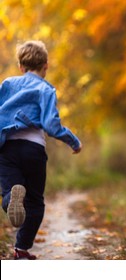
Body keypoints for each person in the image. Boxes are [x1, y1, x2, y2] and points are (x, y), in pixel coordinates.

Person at [0, 40, 82, 260]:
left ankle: (10, 198)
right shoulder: (45, 89)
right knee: (35, 201)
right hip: (34, 149)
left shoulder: (7, 84)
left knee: (9, 190)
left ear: (20, 66)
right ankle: (21, 249)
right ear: (46, 65)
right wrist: (73, 141)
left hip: (7, 148)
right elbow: (51, 125)